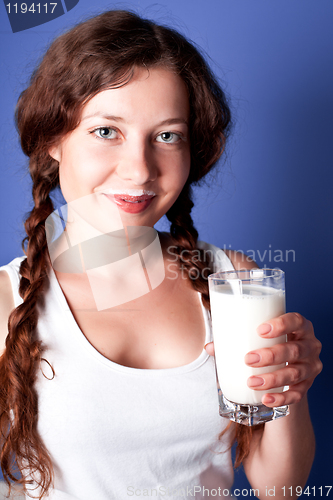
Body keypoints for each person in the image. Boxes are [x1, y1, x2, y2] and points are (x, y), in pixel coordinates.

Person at [0, 9, 322, 500]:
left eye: (167, 136)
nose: (139, 169)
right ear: (52, 141)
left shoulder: (234, 281)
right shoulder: (6, 302)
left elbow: (280, 487)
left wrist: (289, 393)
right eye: (107, 131)